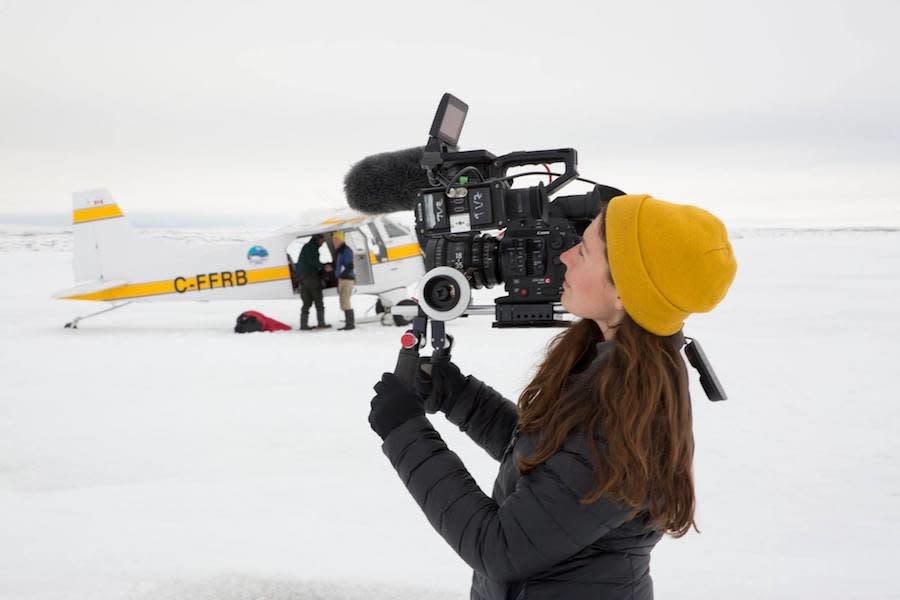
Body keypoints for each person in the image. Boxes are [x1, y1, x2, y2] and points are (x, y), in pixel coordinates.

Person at [368, 194, 737, 600]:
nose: (564, 258)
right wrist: (457, 396)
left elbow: (500, 547)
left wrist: (404, 432)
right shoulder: (616, 366)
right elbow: (550, 461)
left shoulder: (625, 414)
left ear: (624, 293)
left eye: (583, 250)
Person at [296, 233, 332, 330]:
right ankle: (321, 323)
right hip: (310, 277)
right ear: (317, 239)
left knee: (307, 302)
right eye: (322, 240)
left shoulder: (308, 247)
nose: (323, 243)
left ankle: (303, 325)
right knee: (318, 299)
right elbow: (313, 261)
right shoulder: (311, 247)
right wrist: (324, 266)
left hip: (302, 278)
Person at [332, 231, 356, 331]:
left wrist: (343, 274)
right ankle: (349, 323)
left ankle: (350, 324)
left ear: (341, 240)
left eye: (336, 239)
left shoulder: (346, 250)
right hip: (342, 279)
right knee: (343, 301)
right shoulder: (340, 251)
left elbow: (350, 265)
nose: (334, 242)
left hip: (346, 279)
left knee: (345, 301)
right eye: (334, 240)